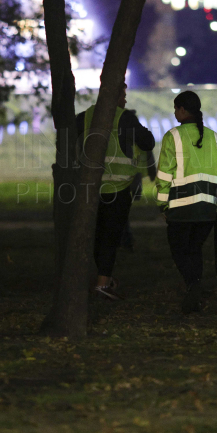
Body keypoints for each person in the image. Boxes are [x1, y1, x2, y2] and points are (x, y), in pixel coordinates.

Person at [75, 83, 155, 300]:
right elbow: (148, 141)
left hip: (90, 189)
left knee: (97, 235)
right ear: (115, 96)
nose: (125, 100)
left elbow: (65, 143)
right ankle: (102, 284)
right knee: (110, 237)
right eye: (124, 95)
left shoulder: (84, 117)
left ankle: (103, 279)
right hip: (118, 188)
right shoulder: (124, 118)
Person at [155, 91, 217, 313]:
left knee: (179, 250)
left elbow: (164, 175)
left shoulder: (172, 136)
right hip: (207, 208)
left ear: (183, 110)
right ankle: (193, 288)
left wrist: (163, 204)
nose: (175, 112)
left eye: (176, 108)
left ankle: (193, 286)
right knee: (194, 249)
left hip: (180, 207)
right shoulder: (215, 138)